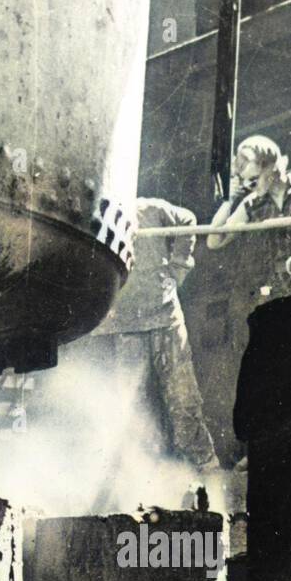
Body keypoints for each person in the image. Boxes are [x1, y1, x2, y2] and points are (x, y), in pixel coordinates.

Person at [93, 196, 220, 473]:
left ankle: (206, 469)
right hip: (124, 325)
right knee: (134, 405)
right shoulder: (95, 216)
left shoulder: (149, 208)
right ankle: (145, 476)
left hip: (164, 316)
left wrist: (178, 268)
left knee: (183, 398)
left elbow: (187, 219)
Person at [207, 134, 291, 296]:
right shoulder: (252, 204)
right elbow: (214, 241)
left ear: (273, 167)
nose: (249, 186)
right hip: (282, 286)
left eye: (254, 179)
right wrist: (228, 201)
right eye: (245, 181)